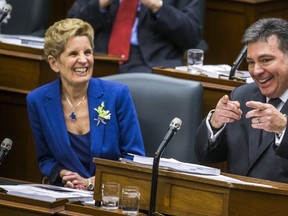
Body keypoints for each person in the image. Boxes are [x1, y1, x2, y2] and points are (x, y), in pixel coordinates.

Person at [26, 18, 145, 190]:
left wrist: (92, 183)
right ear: (54, 63)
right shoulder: (37, 100)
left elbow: (135, 158)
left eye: (87, 52)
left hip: (112, 195)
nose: (83, 60)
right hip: (67, 194)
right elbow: (46, 159)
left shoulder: (117, 95)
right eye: (74, 54)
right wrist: (63, 174)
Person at [195, 18, 288, 183]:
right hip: (237, 203)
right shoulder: (241, 96)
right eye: (251, 62)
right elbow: (207, 156)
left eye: (266, 60)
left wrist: (283, 129)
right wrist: (216, 123)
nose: (256, 71)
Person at [67, 0, 201, 73]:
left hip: (151, 64)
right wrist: (100, 3)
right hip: (100, 59)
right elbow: (71, 28)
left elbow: (192, 36)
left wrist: (157, 6)